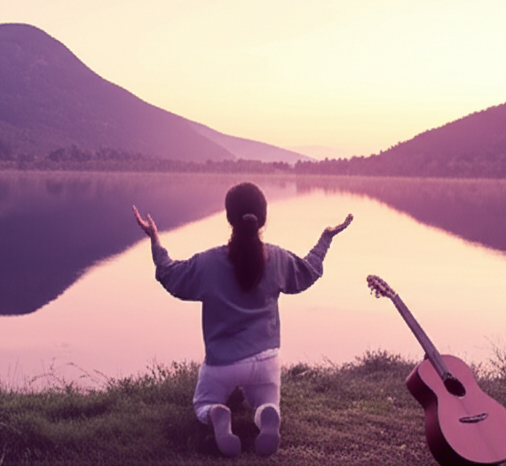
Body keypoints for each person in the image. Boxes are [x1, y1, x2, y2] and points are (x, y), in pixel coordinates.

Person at [133, 182, 352, 458]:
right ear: (263, 218)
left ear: (228, 218)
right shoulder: (278, 258)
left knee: (203, 402)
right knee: (266, 400)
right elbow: (307, 272)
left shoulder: (208, 262)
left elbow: (170, 275)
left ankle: (217, 413)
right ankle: (266, 414)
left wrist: (154, 238)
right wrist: (326, 238)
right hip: (266, 360)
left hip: (222, 364)